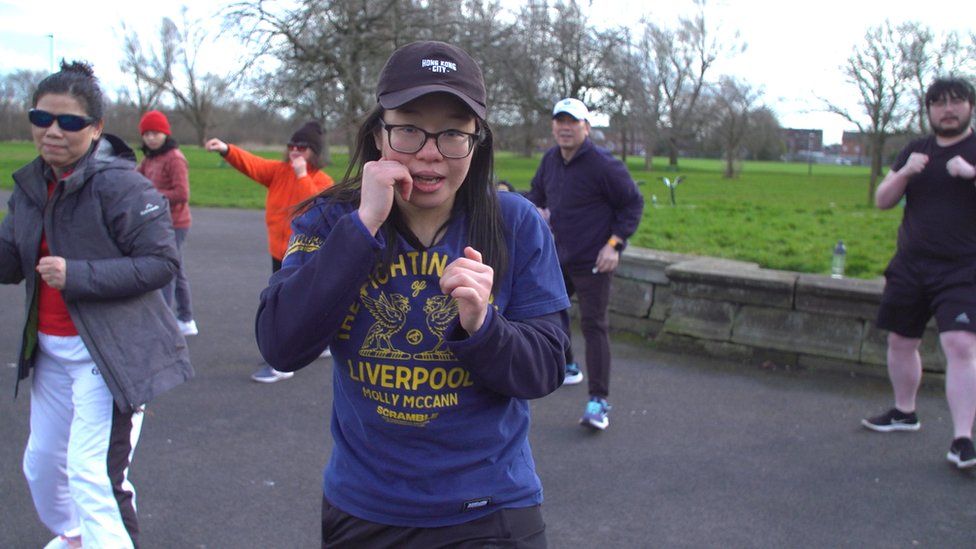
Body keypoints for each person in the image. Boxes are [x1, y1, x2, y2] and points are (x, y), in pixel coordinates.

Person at [255, 41, 569, 546]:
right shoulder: (331, 219)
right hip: (367, 508)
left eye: (451, 133)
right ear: (379, 134)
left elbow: (546, 368)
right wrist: (362, 228)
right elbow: (281, 344)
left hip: (489, 508)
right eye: (408, 128)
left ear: (477, 141)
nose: (429, 152)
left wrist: (484, 327)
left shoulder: (516, 224)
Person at [0, 60, 193, 548]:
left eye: (69, 122)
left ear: (96, 128)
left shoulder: (122, 186)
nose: (52, 132)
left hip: (108, 356)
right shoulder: (27, 187)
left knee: (93, 475)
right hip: (49, 353)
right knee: (41, 466)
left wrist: (77, 274)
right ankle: (76, 537)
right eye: (41, 118)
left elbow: (160, 263)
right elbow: (9, 262)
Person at [862, 77, 976, 470]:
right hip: (911, 265)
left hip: (963, 267)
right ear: (928, 110)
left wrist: (971, 174)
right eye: (939, 103)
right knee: (899, 341)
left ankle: (962, 439)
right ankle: (904, 412)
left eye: (956, 102)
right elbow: (882, 201)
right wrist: (905, 172)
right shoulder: (915, 150)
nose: (948, 109)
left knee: (961, 345)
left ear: (970, 107)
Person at [526, 97, 645, 431]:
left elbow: (632, 204)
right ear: (553, 126)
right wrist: (532, 209)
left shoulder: (604, 165)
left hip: (594, 260)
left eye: (572, 122)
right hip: (558, 257)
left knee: (594, 326)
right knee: (550, 312)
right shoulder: (550, 160)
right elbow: (537, 196)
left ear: (586, 127)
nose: (565, 128)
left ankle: (598, 402)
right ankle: (568, 367)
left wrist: (614, 245)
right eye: (560, 121)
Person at [204, 121, 334, 383]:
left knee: (289, 306)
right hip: (279, 251)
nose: (296, 151)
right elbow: (252, 164)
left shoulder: (322, 181)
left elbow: (317, 208)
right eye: (292, 146)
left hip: (306, 255)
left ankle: (283, 364)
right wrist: (226, 149)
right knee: (296, 303)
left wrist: (302, 175)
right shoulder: (278, 171)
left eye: (303, 147)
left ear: (315, 152)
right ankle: (318, 343)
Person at [137, 109, 198, 336]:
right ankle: (186, 319)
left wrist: (151, 194)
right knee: (177, 268)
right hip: (158, 222)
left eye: (156, 133)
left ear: (165, 134)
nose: (151, 138)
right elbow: (135, 179)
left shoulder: (175, 158)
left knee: (167, 270)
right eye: (147, 134)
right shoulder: (150, 157)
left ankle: (164, 322)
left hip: (175, 223)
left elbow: (182, 194)